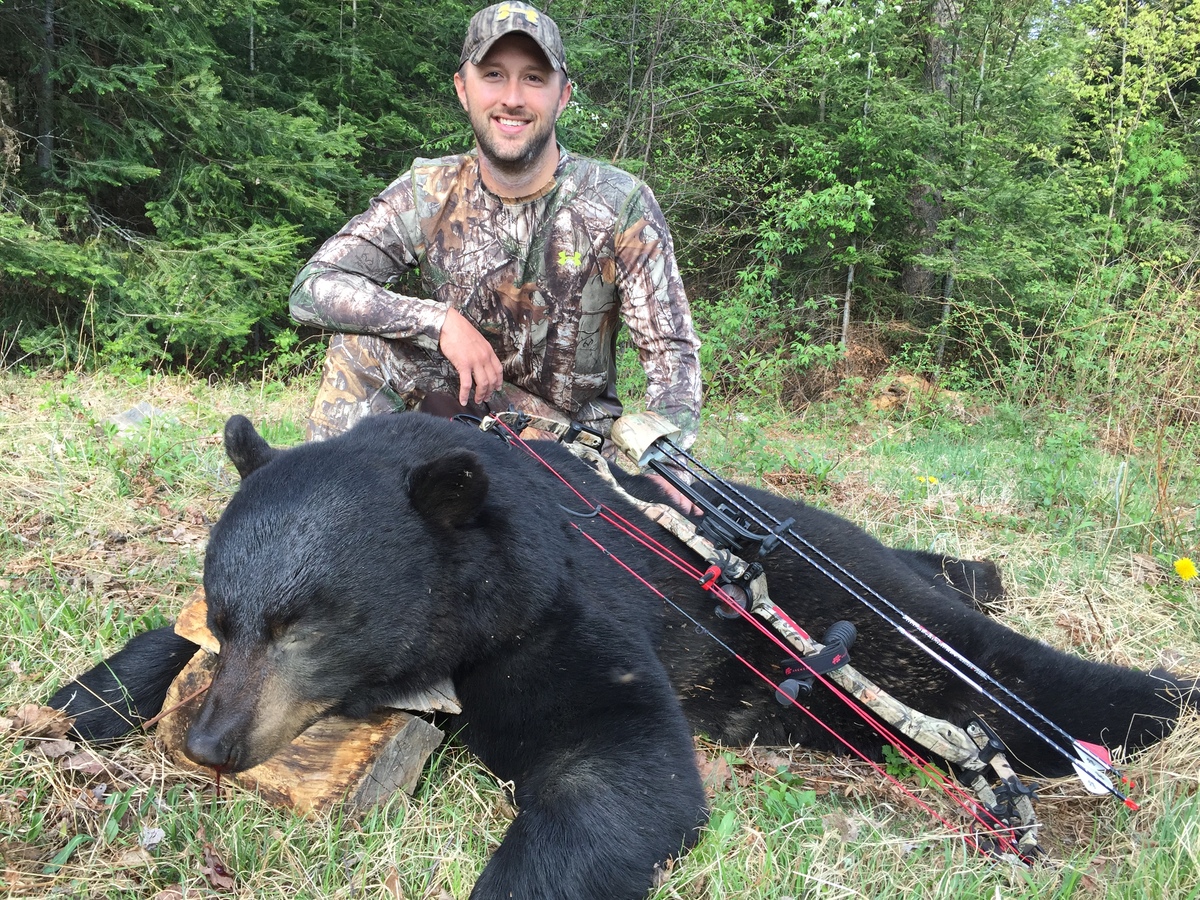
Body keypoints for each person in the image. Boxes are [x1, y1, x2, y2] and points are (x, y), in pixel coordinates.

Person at [289, 1, 701, 461]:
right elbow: (314, 286)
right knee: (360, 346)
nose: (512, 98)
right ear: (462, 89)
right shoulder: (429, 192)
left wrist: (669, 463)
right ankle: (339, 515)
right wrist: (438, 321)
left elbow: (670, 350)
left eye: (533, 77)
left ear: (562, 95)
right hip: (457, 419)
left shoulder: (618, 202)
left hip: (567, 450)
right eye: (493, 75)